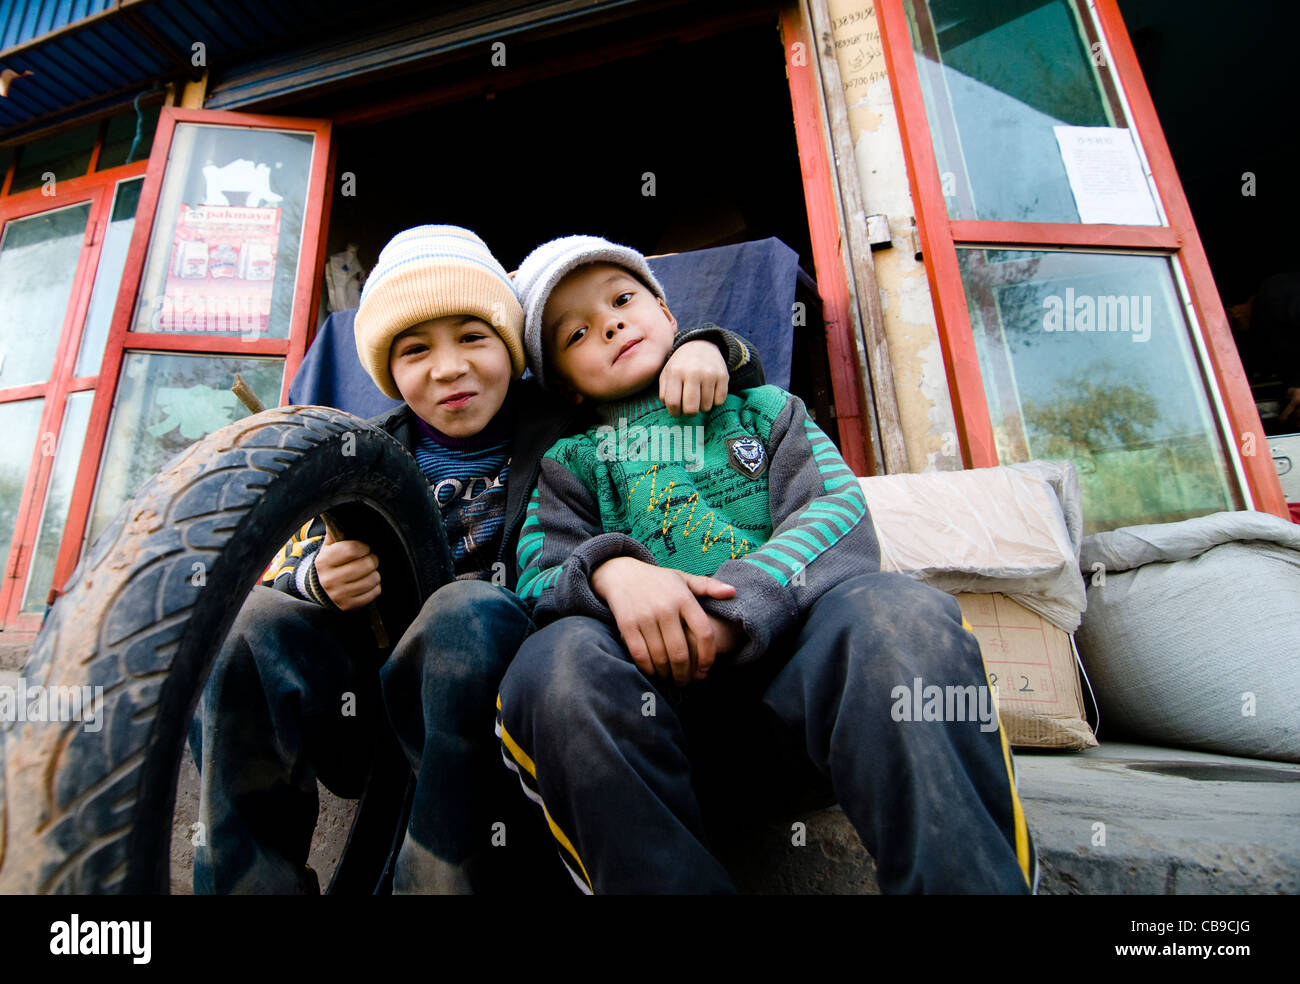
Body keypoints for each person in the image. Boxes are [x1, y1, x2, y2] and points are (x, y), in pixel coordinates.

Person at [192, 225, 764, 894]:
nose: (448, 368)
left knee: (467, 608)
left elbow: (686, 385)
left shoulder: (572, 425)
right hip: (372, 714)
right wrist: (315, 578)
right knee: (247, 626)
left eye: (473, 337)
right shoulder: (357, 457)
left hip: (515, 699)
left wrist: (705, 347)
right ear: (388, 372)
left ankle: (434, 881)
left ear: (514, 349)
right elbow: (276, 565)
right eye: (414, 350)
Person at [495, 234, 1039, 894]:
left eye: (621, 299)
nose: (607, 323)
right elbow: (538, 581)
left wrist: (734, 610)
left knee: (894, 612)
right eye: (576, 332)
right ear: (566, 389)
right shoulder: (568, 465)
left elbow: (836, 513)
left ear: (669, 315)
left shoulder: (767, 413)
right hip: (651, 740)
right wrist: (613, 570)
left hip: (806, 719)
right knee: (552, 661)